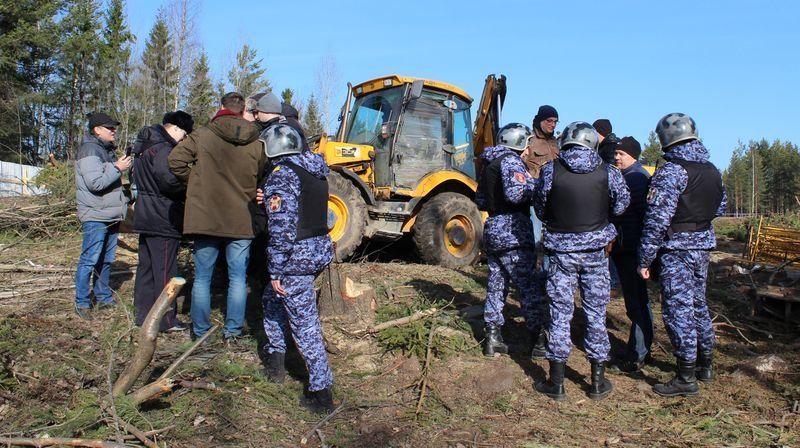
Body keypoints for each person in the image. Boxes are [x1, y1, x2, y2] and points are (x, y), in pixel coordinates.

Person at [533, 122, 630, 401]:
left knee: (560, 313)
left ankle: (557, 382)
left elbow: (540, 207)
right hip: (595, 252)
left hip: (561, 251)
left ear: (566, 141)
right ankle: (598, 382)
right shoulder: (608, 171)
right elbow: (622, 205)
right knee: (596, 313)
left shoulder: (551, 169)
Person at [638, 113, 726, 397]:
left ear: (665, 140)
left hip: (676, 248)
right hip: (702, 246)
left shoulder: (672, 171)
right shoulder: (712, 169)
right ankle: (706, 364)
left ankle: (685, 376)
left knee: (678, 309)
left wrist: (645, 259)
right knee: (698, 304)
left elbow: (656, 220)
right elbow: (720, 207)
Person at [168, 92, 267, 341]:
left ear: (221, 108)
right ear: (244, 110)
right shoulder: (257, 143)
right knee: (237, 278)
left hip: (206, 217)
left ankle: (200, 332)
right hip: (241, 218)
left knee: (202, 277)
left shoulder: (202, 135)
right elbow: (262, 175)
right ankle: (232, 331)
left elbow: (175, 160)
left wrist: (197, 184)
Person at [259, 124, 335, 414]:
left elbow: (282, 230)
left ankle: (321, 392)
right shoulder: (314, 171)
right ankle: (276, 361)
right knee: (271, 300)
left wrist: (276, 270)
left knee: (305, 325)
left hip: (294, 259)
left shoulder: (282, 175)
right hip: (315, 251)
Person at [475, 123, 545, 359]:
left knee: (497, 284)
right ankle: (539, 340)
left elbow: (481, 201)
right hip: (513, 232)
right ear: (518, 143)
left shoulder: (489, 165)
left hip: (493, 229)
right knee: (528, 285)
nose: (528, 149)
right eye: (526, 143)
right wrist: (536, 187)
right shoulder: (512, 162)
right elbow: (516, 194)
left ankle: (492, 337)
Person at [131, 111, 194, 332]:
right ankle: (166, 320)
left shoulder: (144, 148)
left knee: (146, 268)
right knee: (165, 270)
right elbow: (168, 181)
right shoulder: (164, 150)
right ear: (175, 128)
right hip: (163, 216)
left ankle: (142, 315)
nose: (184, 139)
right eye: (184, 134)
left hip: (145, 214)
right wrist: (188, 188)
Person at [74, 112, 132, 320]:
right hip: (96, 215)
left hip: (109, 214)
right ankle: (81, 302)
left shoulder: (104, 150)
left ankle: (103, 296)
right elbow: (95, 183)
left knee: (106, 260)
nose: (114, 131)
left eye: (114, 127)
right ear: (97, 130)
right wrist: (118, 167)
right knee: (89, 260)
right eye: (110, 128)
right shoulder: (90, 150)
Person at [609, 136, 653, 371]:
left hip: (632, 250)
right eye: (616, 153)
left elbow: (640, 216)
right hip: (626, 248)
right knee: (636, 302)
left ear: (633, 155)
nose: (617, 157)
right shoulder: (628, 176)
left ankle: (637, 354)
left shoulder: (636, 179)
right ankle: (641, 349)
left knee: (637, 302)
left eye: (622, 154)